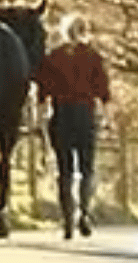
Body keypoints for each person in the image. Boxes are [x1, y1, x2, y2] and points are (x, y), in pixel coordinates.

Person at [35, 12, 111, 239]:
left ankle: (67, 219)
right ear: (84, 30)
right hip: (85, 115)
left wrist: (40, 117)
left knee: (64, 169)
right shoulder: (93, 56)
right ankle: (84, 213)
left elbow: (43, 91)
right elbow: (103, 90)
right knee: (86, 168)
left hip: (62, 114)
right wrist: (106, 118)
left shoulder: (53, 57)